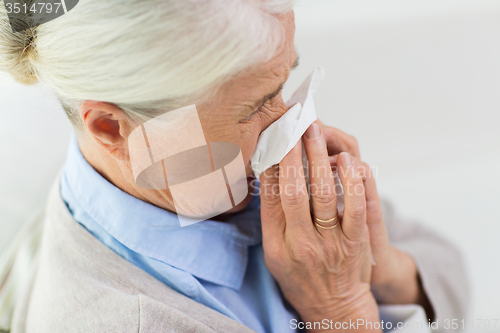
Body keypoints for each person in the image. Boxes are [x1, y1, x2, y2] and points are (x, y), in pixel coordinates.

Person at [0, 1, 468, 332]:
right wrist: (341, 307)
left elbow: (450, 274)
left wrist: (384, 267)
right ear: (110, 128)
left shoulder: (204, 174)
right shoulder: (129, 320)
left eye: (285, 83)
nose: (293, 126)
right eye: (256, 107)